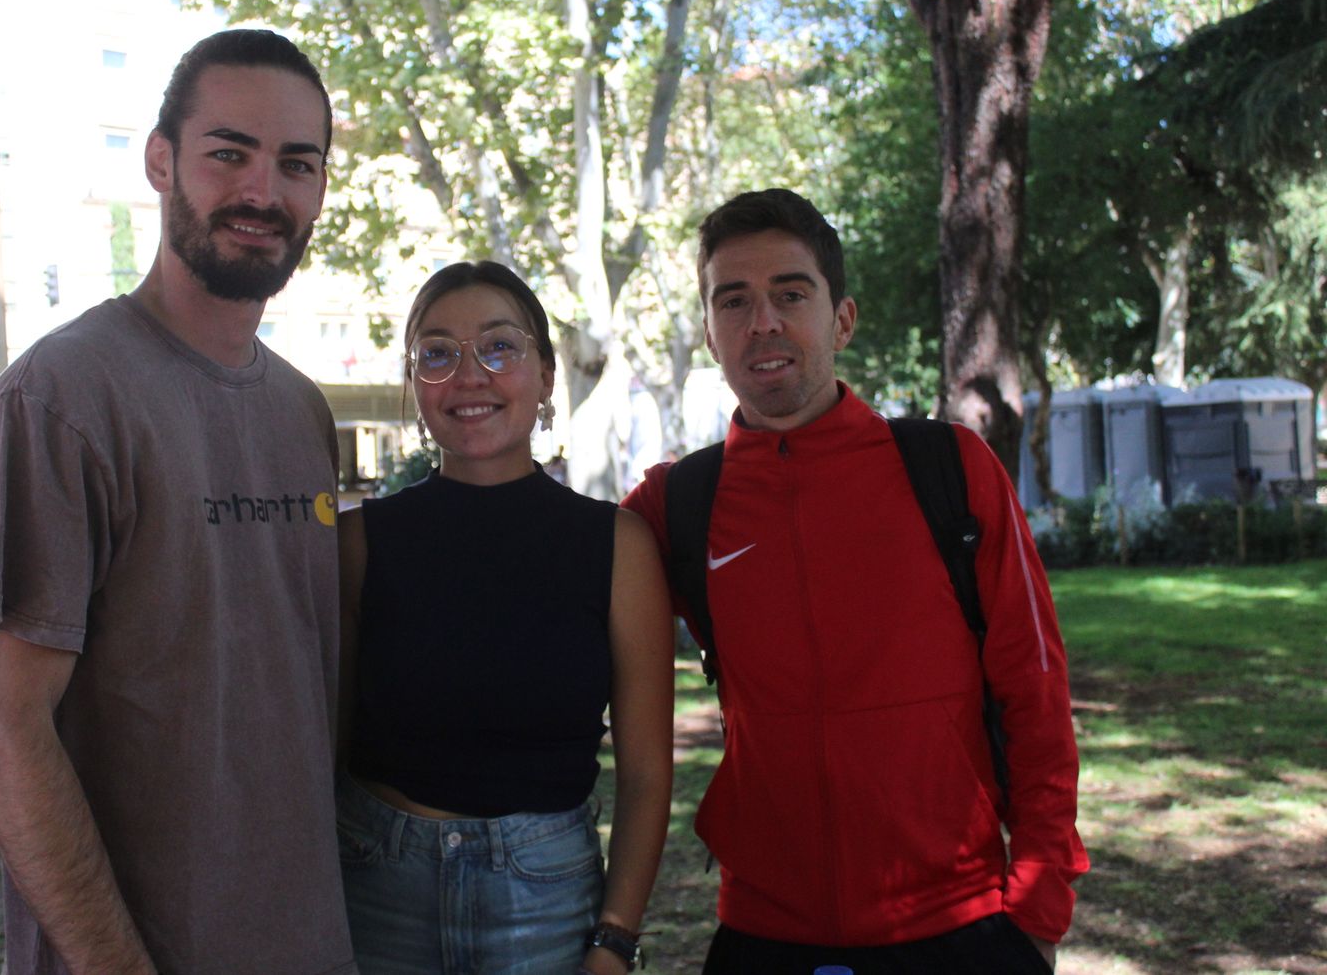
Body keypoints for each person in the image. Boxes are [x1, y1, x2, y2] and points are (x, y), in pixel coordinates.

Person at [0, 29, 355, 975]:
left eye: (296, 164)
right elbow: (1, 734)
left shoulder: (303, 410)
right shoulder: (61, 399)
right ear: (159, 160)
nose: (264, 193)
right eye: (229, 153)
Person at [621, 189, 1089, 974]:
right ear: (708, 332)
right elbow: (548, 589)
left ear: (842, 319)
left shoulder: (950, 471)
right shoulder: (677, 506)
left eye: (790, 294)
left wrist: (1039, 910)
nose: (762, 321)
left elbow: (1036, 692)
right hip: (764, 936)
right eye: (733, 300)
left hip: (960, 930)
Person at [337, 261, 674, 975]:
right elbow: (326, 748)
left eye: (499, 346)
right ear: (414, 382)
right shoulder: (361, 541)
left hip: (547, 899)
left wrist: (614, 940)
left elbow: (645, 771)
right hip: (376, 893)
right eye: (437, 352)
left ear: (547, 375)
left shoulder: (617, 545)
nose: (470, 375)